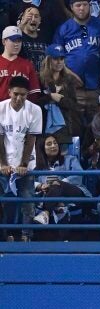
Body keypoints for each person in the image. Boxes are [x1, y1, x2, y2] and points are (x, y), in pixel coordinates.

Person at [53, 0, 100, 120]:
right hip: (73, 88)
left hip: (97, 85)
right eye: (78, 5)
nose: (82, 8)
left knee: (97, 124)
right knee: (75, 125)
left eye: (85, 5)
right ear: (71, 7)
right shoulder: (63, 28)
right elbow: (55, 57)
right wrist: (69, 74)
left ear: (89, 6)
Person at [0, 75, 42, 241]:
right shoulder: (1, 108)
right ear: (9, 92)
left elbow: (31, 139)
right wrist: (3, 163)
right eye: (16, 93)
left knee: (27, 200)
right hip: (3, 163)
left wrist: (23, 164)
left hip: (26, 164)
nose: (19, 98)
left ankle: (26, 236)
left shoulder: (35, 110)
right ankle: (4, 236)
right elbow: (0, 139)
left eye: (23, 95)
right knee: (4, 201)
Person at [32, 134, 92, 236]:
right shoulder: (37, 166)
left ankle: (46, 212)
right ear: (42, 148)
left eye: (55, 143)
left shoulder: (70, 159)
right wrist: (40, 186)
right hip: (52, 198)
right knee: (58, 202)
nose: (53, 146)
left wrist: (61, 183)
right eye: (49, 144)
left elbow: (79, 175)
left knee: (57, 184)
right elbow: (30, 181)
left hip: (75, 193)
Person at [38, 44, 82, 140]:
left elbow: (73, 105)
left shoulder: (68, 80)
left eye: (62, 59)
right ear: (48, 60)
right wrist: (50, 97)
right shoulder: (39, 79)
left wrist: (59, 100)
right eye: (55, 59)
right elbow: (35, 103)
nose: (59, 62)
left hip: (64, 128)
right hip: (43, 126)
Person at [0, 24, 40, 102]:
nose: (17, 44)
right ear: (4, 41)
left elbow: (33, 93)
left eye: (19, 41)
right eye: (13, 40)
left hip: (21, 110)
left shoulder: (27, 65)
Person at [18, 5, 48, 73]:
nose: (33, 19)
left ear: (40, 20)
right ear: (23, 18)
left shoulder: (46, 38)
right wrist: (22, 23)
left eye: (36, 16)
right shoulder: (18, 37)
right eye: (30, 16)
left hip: (43, 80)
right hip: (24, 79)